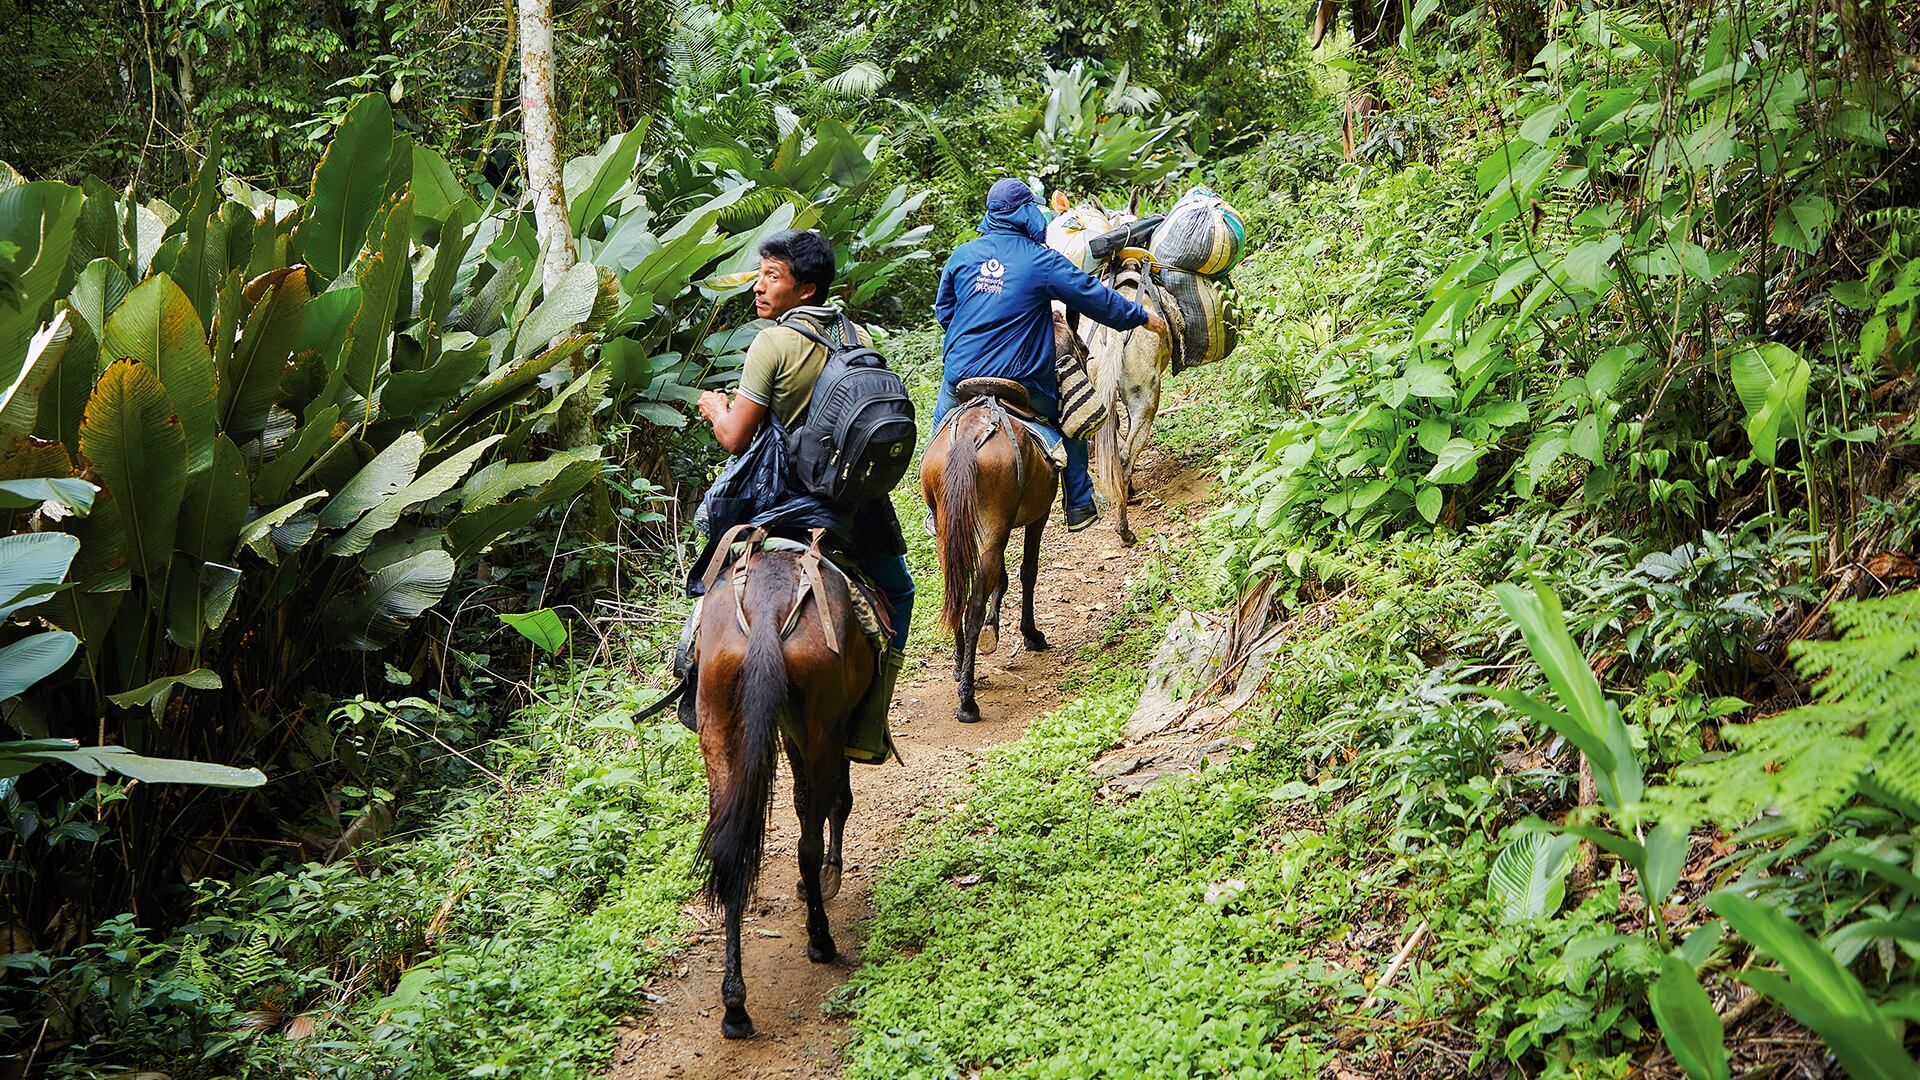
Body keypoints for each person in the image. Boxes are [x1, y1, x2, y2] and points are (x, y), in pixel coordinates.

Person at [675, 229, 913, 762]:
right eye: (760, 274)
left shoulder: (773, 342)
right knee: (899, 592)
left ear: (804, 290)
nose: (758, 287)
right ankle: (869, 723)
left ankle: (694, 684)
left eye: (771, 277)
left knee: (707, 587)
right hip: (849, 505)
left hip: (777, 497)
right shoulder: (859, 337)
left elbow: (737, 437)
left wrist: (716, 409)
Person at [932, 178, 1168, 530]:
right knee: (1071, 416)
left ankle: (935, 509)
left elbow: (944, 313)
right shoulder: (1042, 261)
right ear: (1025, 212)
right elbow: (1095, 298)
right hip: (1023, 377)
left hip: (961, 373)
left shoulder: (962, 256)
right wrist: (1142, 316)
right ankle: (1079, 503)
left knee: (940, 429)